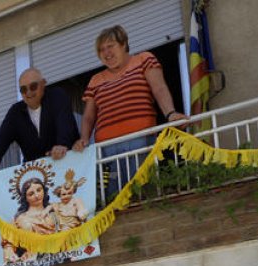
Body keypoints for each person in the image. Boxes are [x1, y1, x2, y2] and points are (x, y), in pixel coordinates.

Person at [72, 25, 188, 194]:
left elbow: (159, 89)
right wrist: (83, 138)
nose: (106, 53)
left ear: (124, 44)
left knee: (142, 193)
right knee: (114, 198)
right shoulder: (95, 80)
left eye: (110, 46)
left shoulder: (144, 59)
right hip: (107, 149)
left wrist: (171, 113)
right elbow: (89, 116)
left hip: (140, 140)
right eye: (101, 50)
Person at [0, 68, 78, 179]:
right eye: (23, 89)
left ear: (43, 84)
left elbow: (66, 124)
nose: (28, 92)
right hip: (38, 179)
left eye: (33, 87)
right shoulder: (15, 112)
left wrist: (62, 144)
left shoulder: (57, 96)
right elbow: (0, 142)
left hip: (68, 168)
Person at [3, 176, 57, 264]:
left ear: (44, 190)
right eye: (31, 194)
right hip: (31, 260)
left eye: (39, 190)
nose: (36, 195)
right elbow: (8, 242)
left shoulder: (54, 211)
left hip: (56, 255)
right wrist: (10, 252)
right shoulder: (20, 219)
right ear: (25, 198)